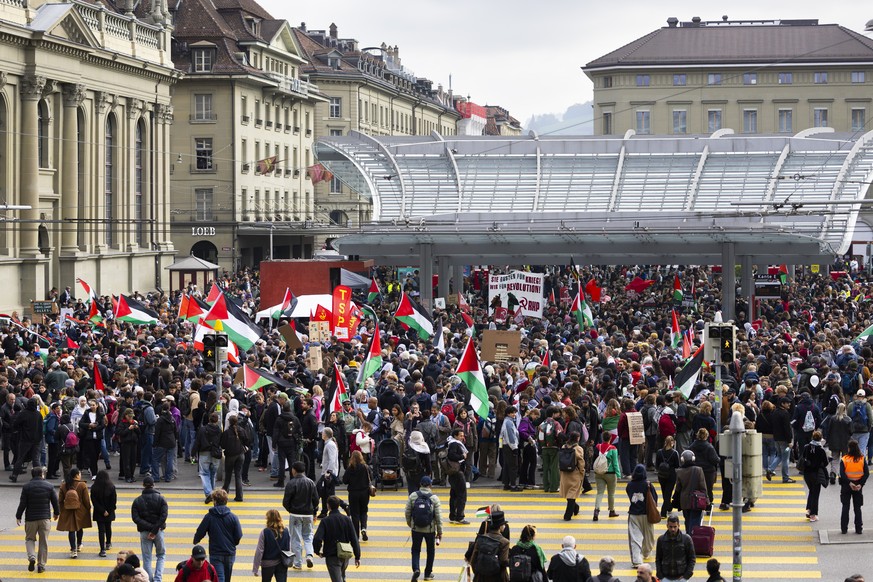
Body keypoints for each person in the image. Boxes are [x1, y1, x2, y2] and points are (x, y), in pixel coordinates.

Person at [15, 466, 59, 573]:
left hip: (31, 519)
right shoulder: (49, 486)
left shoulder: (26, 487)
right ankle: (41, 565)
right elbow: (55, 501)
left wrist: (18, 516)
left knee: (30, 539)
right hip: (44, 518)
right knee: (43, 542)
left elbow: (23, 503)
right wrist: (57, 513)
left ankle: (31, 557)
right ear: (42, 474)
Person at [194, 488, 243, 582]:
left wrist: (196, 539)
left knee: (219, 578)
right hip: (229, 553)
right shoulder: (233, 517)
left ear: (215, 501)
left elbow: (201, 531)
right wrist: (233, 544)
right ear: (226, 501)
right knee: (227, 578)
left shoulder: (209, 516)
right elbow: (238, 535)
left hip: (216, 552)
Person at [313, 495, 361, 582]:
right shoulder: (347, 520)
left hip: (332, 555)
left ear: (328, 506)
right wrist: (357, 556)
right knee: (342, 576)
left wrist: (317, 551)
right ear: (338, 505)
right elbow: (354, 539)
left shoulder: (325, 521)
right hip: (345, 554)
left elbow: (317, 538)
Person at [131, 474, 168, 582]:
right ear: (153, 485)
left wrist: (149, 528)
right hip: (158, 531)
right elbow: (163, 516)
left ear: (143, 485)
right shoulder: (161, 499)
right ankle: (158, 579)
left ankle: (149, 580)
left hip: (144, 532)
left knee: (147, 558)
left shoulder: (137, 501)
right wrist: (155, 529)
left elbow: (135, 518)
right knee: (161, 555)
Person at [282, 460, 318, 570]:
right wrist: (313, 511)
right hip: (308, 514)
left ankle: (298, 563)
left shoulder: (291, 483)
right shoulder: (311, 483)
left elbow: (286, 501)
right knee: (308, 536)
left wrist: (291, 510)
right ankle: (309, 555)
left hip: (295, 514)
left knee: (296, 538)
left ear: (294, 470)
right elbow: (316, 500)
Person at [405, 475, 442, 582]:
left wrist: (410, 524)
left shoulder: (413, 496)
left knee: (416, 550)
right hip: (429, 530)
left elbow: (407, 512)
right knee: (430, 551)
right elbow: (439, 517)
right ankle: (427, 573)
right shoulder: (434, 498)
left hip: (416, 529)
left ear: (420, 484)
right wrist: (440, 532)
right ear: (430, 485)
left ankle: (416, 569)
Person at [627, 463, 658, 568]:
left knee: (635, 538)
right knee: (649, 536)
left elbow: (629, 495)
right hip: (647, 514)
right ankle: (646, 552)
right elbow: (655, 499)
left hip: (634, 514)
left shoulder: (630, 485)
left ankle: (636, 560)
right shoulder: (648, 484)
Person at [58, 466, 92, 559]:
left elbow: (60, 500)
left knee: (71, 530)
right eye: (79, 474)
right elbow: (86, 500)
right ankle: (79, 544)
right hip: (80, 510)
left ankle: (73, 550)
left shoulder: (64, 485)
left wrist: (61, 510)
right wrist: (88, 508)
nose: (80, 475)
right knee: (79, 527)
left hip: (68, 510)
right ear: (76, 475)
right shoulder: (82, 485)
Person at [469, 509, 509, 582]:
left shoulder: (481, 539)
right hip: (497, 578)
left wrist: (479, 573)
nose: (504, 526)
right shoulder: (504, 542)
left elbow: (473, 560)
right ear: (500, 527)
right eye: (503, 524)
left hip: (480, 578)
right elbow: (504, 561)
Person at [672, 450, 706, 534]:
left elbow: (678, 488)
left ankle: (688, 537)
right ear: (693, 458)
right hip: (697, 500)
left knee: (687, 520)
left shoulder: (679, 471)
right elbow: (703, 486)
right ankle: (692, 538)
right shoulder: (699, 470)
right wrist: (707, 500)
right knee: (695, 522)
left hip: (684, 501)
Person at [839, 439, 869, 535]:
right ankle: (858, 529)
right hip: (858, 486)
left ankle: (844, 529)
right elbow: (866, 473)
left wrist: (849, 483)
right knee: (857, 508)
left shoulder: (844, 459)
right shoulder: (862, 459)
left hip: (846, 486)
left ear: (849, 448)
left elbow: (842, 474)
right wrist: (861, 484)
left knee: (845, 507)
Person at [252, 509, 291, 582]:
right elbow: (288, 547)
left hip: (267, 564)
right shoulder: (286, 531)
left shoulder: (265, 532)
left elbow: (259, 551)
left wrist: (255, 568)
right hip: (282, 563)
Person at [655, 514, 695, 582]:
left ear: (679, 526)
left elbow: (692, 558)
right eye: (670, 527)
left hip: (681, 577)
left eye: (675, 527)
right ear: (667, 526)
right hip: (665, 578)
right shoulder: (661, 540)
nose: (673, 529)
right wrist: (661, 576)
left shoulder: (686, 539)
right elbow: (658, 558)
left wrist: (686, 576)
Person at [342, 450, 372, 540]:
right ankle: (363, 528)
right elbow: (371, 477)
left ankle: (356, 534)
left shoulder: (350, 468)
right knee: (364, 511)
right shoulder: (365, 467)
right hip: (364, 493)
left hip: (353, 493)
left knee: (355, 514)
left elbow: (344, 480)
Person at [800, 430, 828, 522]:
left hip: (807, 474)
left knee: (811, 491)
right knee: (815, 494)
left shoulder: (806, 447)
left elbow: (803, 458)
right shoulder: (821, 450)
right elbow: (825, 463)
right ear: (820, 439)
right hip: (816, 474)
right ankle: (813, 515)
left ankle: (809, 510)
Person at [195, 412, 222, 504]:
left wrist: (193, 453)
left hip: (204, 453)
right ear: (217, 420)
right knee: (212, 474)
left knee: (204, 473)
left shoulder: (202, 429)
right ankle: (212, 493)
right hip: (215, 454)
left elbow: (197, 442)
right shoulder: (219, 430)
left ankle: (209, 493)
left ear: (209, 419)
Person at [220, 414, 249, 502]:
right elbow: (247, 440)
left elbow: (222, 445)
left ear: (229, 422)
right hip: (240, 454)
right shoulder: (241, 430)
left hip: (230, 455)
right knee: (238, 475)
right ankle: (239, 496)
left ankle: (224, 495)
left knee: (228, 476)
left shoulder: (226, 433)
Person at [593, 430, 620, 521]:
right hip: (610, 473)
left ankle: (596, 510)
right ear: (610, 438)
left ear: (602, 438)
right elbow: (615, 463)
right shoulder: (613, 449)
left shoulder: (597, 447)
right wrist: (618, 474)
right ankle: (611, 511)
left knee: (599, 493)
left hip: (599, 473)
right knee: (611, 494)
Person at [559, 431, 586, 521]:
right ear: (577, 438)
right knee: (572, 494)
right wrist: (582, 472)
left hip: (564, 473)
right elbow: (581, 462)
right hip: (574, 473)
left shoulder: (564, 446)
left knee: (569, 493)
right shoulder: (578, 448)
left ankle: (575, 508)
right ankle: (568, 515)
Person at [91, 469, 118, 557]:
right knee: (108, 527)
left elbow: (94, 501)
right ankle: (108, 543)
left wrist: (102, 511)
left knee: (101, 530)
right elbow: (113, 501)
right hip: (109, 512)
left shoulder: (94, 487)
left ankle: (102, 549)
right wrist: (108, 511)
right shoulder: (111, 486)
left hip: (99, 512)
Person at [446, 427, 469, 524]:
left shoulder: (452, 442)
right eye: (460, 435)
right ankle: (460, 516)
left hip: (454, 472)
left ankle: (453, 516)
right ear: (455, 436)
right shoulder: (454, 444)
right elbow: (451, 456)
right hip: (457, 472)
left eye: (463, 435)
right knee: (461, 495)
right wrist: (462, 456)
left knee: (454, 494)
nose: (462, 437)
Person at [153, 402, 178, 483]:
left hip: (162, 442)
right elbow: (175, 431)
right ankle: (168, 477)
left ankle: (156, 477)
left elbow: (157, 433)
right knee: (170, 460)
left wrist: (155, 443)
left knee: (156, 459)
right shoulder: (172, 419)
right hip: (171, 442)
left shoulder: (160, 420)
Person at [656, 435, 680, 518]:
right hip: (671, 475)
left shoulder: (659, 452)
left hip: (661, 475)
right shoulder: (674, 453)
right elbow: (677, 465)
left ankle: (669, 507)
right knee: (668, 493)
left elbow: (657, 465)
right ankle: (663, 512)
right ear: (672, 443)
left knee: (664, 493)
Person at [500, 406, 522, 491]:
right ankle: (513, 485)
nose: (514, 414)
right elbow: (510, 436)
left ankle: (507, 484)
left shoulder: (507, 421)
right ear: (508, 413)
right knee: (513, 466)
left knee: (507, 465)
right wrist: (514, 447)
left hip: (506, 446)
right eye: (512, 413)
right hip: (510, 447)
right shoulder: (509, 422)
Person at [117, 408, 141, 483]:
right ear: (125, 415)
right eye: (129, 416)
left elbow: (139, 433)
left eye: (132, 416)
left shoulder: (134, 422)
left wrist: (137, 428)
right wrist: (128, 429)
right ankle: (127, 476)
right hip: (126, 443)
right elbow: (120, 433)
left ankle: (132, 475)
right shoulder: (122, 423)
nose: (131, 418)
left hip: (133, 443)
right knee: (126, 460)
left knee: (133, 461)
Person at [320, 427, 340, 518]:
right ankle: (324, 511)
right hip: (327, 472)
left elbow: (332, 460)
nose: (321, 434)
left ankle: (339, 507)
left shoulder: (330, 445)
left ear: (325, 435)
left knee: (328, 493)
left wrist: (328, 472)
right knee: (325, 493)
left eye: (322, 433)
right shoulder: (329, 444)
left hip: (328, 474)